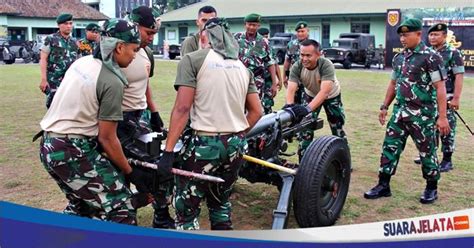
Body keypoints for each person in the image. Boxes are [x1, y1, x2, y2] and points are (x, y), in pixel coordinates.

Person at [38, 19, 153, 224]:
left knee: (82, 206)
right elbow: (107, 138)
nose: (135, 55)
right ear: (119, 47)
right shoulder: (112, 80)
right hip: (72, 148)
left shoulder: (82, 62)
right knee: (121, 208)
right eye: (134, 50)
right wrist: (131, 172)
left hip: (48, 144)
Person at [157, 18, 262, 230]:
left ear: (205, 36)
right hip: (235, 146)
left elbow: (182, 108)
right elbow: (257, 111)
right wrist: (236, 135)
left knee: (187, 208)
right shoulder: (242, 67)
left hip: (204, 145)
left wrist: (168, 152)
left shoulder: (193, 60)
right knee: (220, 202)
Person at [363, 18, 450, 204]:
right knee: (389, 147)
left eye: (406, 35)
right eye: (401, 35)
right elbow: (394, 83)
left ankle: (431, 188)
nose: (402, 39)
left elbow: (440, 88)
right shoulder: (399, 57)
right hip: (399, 113)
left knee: (427, 151)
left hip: (422, 115)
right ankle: (383, 185)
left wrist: (442, 117)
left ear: (418, 34)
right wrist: (384, 106)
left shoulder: (431, 57)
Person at [120, 5, 174, 229]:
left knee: (156, 167)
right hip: (118, 120)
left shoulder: (146, 53)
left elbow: (144, 83)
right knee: (121, 167)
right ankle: (122, 212)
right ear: (134, 26)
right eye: (148, 32)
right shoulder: (117, 51)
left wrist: (154, 112)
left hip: (140, 118)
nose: (152, 38)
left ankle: (161, 214)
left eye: (154, 33)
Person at [285, 39, 347, 159]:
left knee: (337, 128)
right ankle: (303, 161)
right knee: (305, 129)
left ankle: (344, 159)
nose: (304, 59)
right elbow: (291, 88)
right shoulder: (297, 66)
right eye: (302, 55)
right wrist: (289, 106)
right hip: (310, 94)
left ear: (319, 54)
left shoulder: (326, 65)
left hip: (331, 96)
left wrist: (307, 109)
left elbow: (324, 92)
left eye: (308, 55)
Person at [427, 23, 465, 172]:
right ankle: (431, 155)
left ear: (444, 36)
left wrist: (456, 98)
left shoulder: (452, 53)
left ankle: (447, 159)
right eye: (431, 34)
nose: (432, 37)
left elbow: (459, 76)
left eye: (436, 34)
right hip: (429, 98)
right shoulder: (428, 52)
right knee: (430, 127)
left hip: (447, 97)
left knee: (446, 128)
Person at [235, 13, 278, 114]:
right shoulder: (237, 38)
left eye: (254, 25)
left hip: (257, 81)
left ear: (258, 26)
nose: (251, 27)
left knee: (256, 108)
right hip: (238, 79)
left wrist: (274, 83)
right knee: (238, 107)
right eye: (249, 24)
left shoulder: (264, 42)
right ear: (245, 24)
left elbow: (270, 62)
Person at [38, 13, 78, 108]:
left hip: (69, 81)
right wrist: (44, 80)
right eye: (65, 24)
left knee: (69, 108)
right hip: (54, 81)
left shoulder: (74, 41)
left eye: (70, 23)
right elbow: (43, 59)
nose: (68, 26)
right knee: (53, 108)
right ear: (59, 25)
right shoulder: (51, 39)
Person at [283, 21, 310, 104]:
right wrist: (284, 76)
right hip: (294, 78)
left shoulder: (313, 45)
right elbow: (287, 61)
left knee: (307, 104)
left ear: (307, 31)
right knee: (292, 103)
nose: (300, 34)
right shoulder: (292, 45)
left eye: (302, 31)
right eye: (298, 32)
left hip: (309, 78)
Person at [258, 27, 283, 94]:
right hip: (256, 80)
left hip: (268, 80)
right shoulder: (253, 48)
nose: (265, 39)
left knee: (268, 101)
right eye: (263, 37)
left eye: (267, 37)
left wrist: (280, 80)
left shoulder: (270, 48)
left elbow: (276, 64)